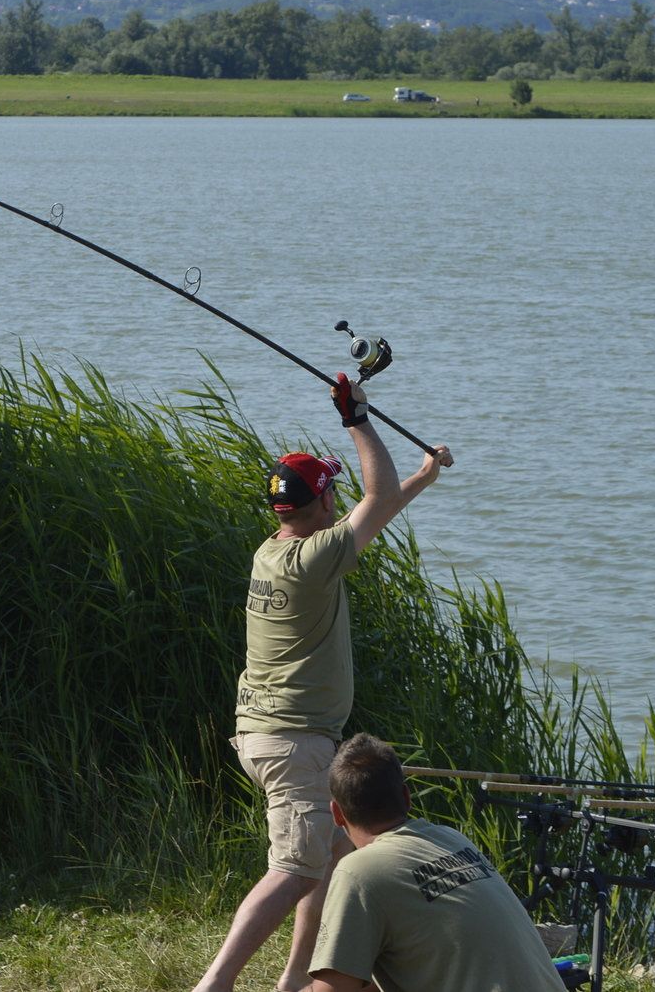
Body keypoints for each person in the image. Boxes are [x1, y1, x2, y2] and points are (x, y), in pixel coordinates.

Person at [193, 374, 452, 992]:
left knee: (330, 865)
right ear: (324, 501)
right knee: (293, 869)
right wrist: (355, 418)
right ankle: (215, 983)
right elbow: (376, 493)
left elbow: (378, 505)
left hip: (275, 736)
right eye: (334, 491)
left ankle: (294, 983)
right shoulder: (314, 560)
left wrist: (420, 479)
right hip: (295, 743)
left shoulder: (275, 551)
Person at [309, 734, 566, 992]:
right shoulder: (452, 839)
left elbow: (334, 989)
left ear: (337, 814)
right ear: (406, 797)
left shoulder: (358, 871)